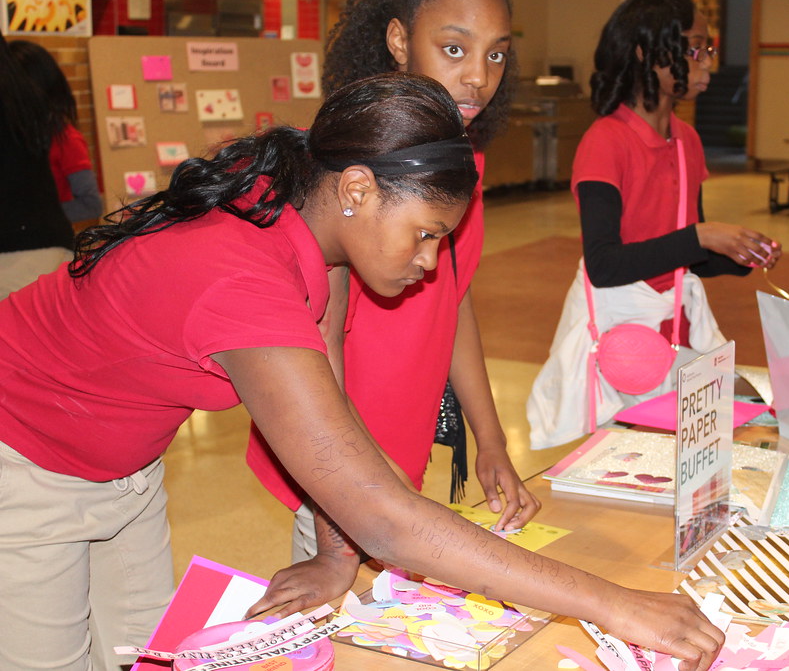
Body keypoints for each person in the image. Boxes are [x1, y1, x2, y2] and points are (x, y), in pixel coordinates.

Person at [0, 72, 724, 671]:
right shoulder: (244, 282)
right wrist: (616, 603)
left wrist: (334, 554)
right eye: (426, 233)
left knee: (144, 654)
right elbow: (387, 516)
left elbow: (336, 427)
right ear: (356, 189)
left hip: (125, 464)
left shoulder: (315, 233)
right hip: (24, 458)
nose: (431, 262)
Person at [245, 0, 540, 615]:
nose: (477, 77)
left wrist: (490, 439)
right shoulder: (353, 172)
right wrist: (336, 546)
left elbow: (453, 301)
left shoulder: (461, 167)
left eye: (496, 56)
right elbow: (321, 359)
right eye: (455, 48)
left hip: (401, 448)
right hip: (336, 459)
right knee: (338, 628)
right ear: (400, 41)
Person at [527, 0, 782, 449]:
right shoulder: (607, 141)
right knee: (624, 462)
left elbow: (688, 257)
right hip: (623, 350)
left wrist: (738, 254)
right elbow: (606, 265)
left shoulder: (686, 139)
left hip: (675, 340)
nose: (707, 61)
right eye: (693, 48)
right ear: (646, 53)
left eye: (709, 48)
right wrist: (702, 235)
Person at [0, 32, 74, 299]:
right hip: (40, 246)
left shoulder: (17, 104)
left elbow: (88, 199)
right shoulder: (23, 103)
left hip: (21, 253)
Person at [10, 40, 103, 225]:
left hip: (43, 244)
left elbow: (91, 204)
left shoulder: (65, 139)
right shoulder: (11, 135)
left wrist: (29, 216)